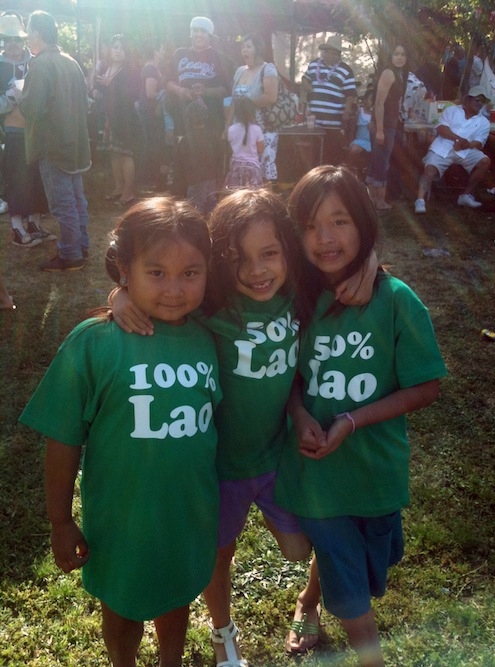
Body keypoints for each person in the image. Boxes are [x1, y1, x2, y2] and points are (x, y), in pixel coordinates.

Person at [110, 188, 377, 667]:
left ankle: (309, 599)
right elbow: (161, 288)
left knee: (305, 545)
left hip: (279, 455)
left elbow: (342, 258)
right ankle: (222, 631)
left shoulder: (298, 291)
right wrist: (118, 292)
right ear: (220, 261)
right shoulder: (208, 306)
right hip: (219, 468)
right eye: (239, 258)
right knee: (219, 554)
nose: (256, 271)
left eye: (269, 253)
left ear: (287, 251)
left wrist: (371, 259)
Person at [19, 196, 222, 667]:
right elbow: (62, 438)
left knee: (177, 597)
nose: (174, 289)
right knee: (121, 604)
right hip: (120, 519)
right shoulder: (94, 343)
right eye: (157, 272)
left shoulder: (213, 335)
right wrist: (59, 520)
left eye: (190, 273)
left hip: (188, 514)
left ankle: (170, 660)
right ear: (125, 270)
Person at [275, 165, 447, 667]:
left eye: (340, 221)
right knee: (351, 594)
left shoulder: (396, 300)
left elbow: (427, 386)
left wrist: (352, 421)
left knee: (361, 564)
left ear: (364, 224)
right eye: (310, 225)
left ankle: (308, 597)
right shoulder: (293, 299)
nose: (325, 238)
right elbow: (286, 377)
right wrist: (298, 412)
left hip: (376, 472)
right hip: (316, 473)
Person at [19, 11, 91, 272]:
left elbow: (33, 108)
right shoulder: (70, 62)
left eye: (28, 32)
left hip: (53, 146)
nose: (27, 37)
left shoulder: (40, 65)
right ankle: (81, 245)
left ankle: (71, 254)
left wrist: (19, 95)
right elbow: (85, 103)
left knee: (63, 204)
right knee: (77, 200)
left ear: (37, 34)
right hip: (75, 144)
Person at [0, 11, 52, 249]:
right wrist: (10, 99)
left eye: (17, 39)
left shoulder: (36, 61)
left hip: (38, 131)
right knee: (17, 178)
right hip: (13, 131)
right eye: (7, 39)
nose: (13, 44)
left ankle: (34, 223)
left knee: (37, 177)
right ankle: (17, 227)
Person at [166, 16, 230, 187]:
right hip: (183, 121)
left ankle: (210, 198)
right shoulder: (179, 54)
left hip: (211, 123)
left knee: (209, 165)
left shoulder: (219, 57)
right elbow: (168, 82)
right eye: (195, 30)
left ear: (210, 35)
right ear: (190, 33)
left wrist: (205, 91)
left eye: (203, 31)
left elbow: (227, 89)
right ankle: (181, 195)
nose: (198, 34)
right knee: (182, 159)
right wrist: (181, 91)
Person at [414, 85, 491, 214]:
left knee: (485, 161)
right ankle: (420, 199)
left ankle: (465, 195)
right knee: (430, 169)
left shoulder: (484, 121)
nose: (479, 104)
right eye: (477, 100)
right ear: (468, 100)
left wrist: (467, 145)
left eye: (482, 101)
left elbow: (479, 142)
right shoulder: (452, 110)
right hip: (443, 146)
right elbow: (441, 129)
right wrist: (458, 139)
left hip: (465, 150)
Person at [93, 34, 141, 207]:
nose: (118, 51)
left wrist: (110, 84)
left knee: (125, 153)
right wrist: (96, 90)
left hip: (125, 119)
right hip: (109, 118)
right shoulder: (105, 67)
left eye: (122, 48)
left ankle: (129, 192)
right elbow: (101, 88)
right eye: (115, 47)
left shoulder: (131, 71)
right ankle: (118, 187)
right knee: (113, 153)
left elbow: (132, 94)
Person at [301, 34, 357, 166]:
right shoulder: (314, 64)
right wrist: (307, 86)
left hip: (334, 122)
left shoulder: (346, 69)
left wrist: (346, 111)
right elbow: (305, 78)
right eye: (332, 53)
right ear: (325, 52)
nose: (335, 56)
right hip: (314, 121)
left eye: (338, 54)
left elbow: (350, 94)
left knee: (331, 155)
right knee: (314, 155)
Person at [230, 33, 279, 182]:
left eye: (248, 46)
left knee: (262, 172)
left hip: (262, 128)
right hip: (240, 129)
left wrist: (247, 104)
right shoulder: (239, 71)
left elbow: (271, 97)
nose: (244, 50)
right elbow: (233, 100)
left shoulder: (268, 69)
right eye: (242, 47)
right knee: (242, 170)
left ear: (258, 49)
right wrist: (227, 124)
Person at [366, 42, 408, 211]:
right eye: (396, 54)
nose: (399, 57)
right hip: (383, 126)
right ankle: (380, 201)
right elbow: (379, 103)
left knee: (376, 162)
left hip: (388, 124)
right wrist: (380, 130)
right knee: (382, 164)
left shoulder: (399, 74)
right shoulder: (389, 73)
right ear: (390, 56)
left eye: (402, 54)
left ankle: (371, 200)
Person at [175, 100, 218, 215]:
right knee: (211, 210)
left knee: (196, 212)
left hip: (195, 180)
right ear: (206, 116)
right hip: (211, 178)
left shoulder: (186, 139)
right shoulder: (213, 135)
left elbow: (180, 164)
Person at [135, 39, 166, 190]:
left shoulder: (151, 68)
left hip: (150, 112)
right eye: (162, 49)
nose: (164, 52)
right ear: (155, 51)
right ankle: (147, 178)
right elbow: (150, 93)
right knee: (151, 144)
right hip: (150, 113)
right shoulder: (151, 69)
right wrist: (164, 93)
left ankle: (148, 177)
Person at [225, 96, 264, 189]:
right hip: (253, 168)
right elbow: (260, 150)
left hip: (236, 168)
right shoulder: (257, 129)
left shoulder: (231, 129)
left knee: (236, 196)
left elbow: (229, 150)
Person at [347, 89, 373, 178]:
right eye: (370, 100)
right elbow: (353, 127)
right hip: (360, 140)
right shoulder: (359, 111)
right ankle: (350, 169)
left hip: (372, 141)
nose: (372, 103)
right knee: (353, 150)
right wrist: (350, 141)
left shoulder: (376, 113)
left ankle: (367, 170)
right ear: (365, 100)